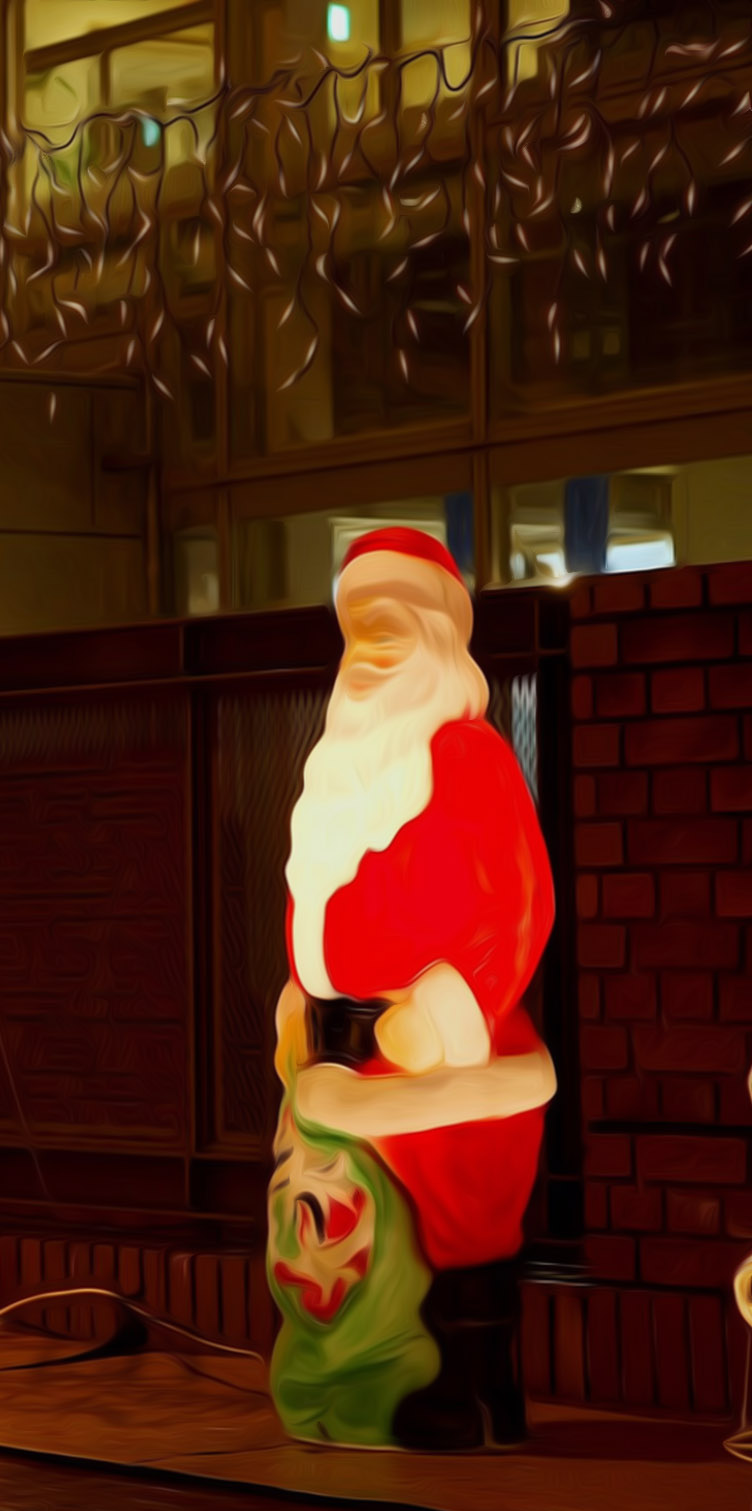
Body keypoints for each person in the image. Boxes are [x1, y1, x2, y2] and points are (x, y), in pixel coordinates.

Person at [267, 527, 555, 1450]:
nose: (369, 644)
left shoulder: (466, 757)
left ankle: (465, 1392)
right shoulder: (337, 772)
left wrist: (451, 1006)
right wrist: (301, 989)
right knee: (338, 1229)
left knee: (453, 1222)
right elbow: (314, 890)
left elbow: (518, 900)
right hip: (338, 1048)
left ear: (438, 628)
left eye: (389, 622)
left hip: (435, 1044)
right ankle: (355, 1381)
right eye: (356, 626)